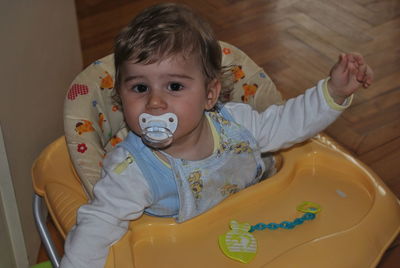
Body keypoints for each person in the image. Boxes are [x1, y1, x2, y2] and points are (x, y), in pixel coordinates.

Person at [60, 3, 373, 268]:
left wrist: (333, 92)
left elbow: (290, 123)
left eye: (175, 86)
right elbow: (97, 224)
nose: (155, 102)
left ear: (210, 95)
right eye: (139, 88)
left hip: (258, 230)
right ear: (120, 95)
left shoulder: (237, 124)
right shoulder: (130, 171)